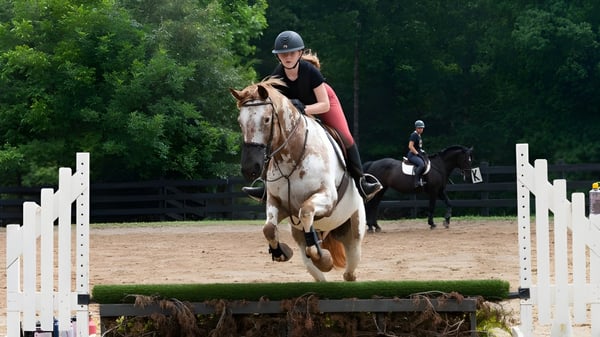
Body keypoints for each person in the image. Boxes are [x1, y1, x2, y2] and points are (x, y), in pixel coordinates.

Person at [242, 30, 382, 202]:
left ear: (299, 53)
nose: (287, 57)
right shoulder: (277, 75)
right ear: (278, 57)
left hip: (322, 102)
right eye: (283, 54)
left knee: (345, 136)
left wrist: (304, 109)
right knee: (274, 138)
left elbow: (324, 105)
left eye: (291, 53)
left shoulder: (310, 72)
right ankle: (265, 186)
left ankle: (362, 182)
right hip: (298, 110)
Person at [407, 120, 427, 187]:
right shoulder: (414, 135)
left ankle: (422, 179)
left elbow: (418, 147)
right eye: (419, 128)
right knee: (421, 164)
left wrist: (422, 151)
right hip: (412, 155)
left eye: (422, 128)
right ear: (416, 128)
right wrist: (417, 153)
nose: (421, 129)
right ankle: (416, 182)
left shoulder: (419, 135)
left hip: (418, 154)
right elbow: (410, 146)